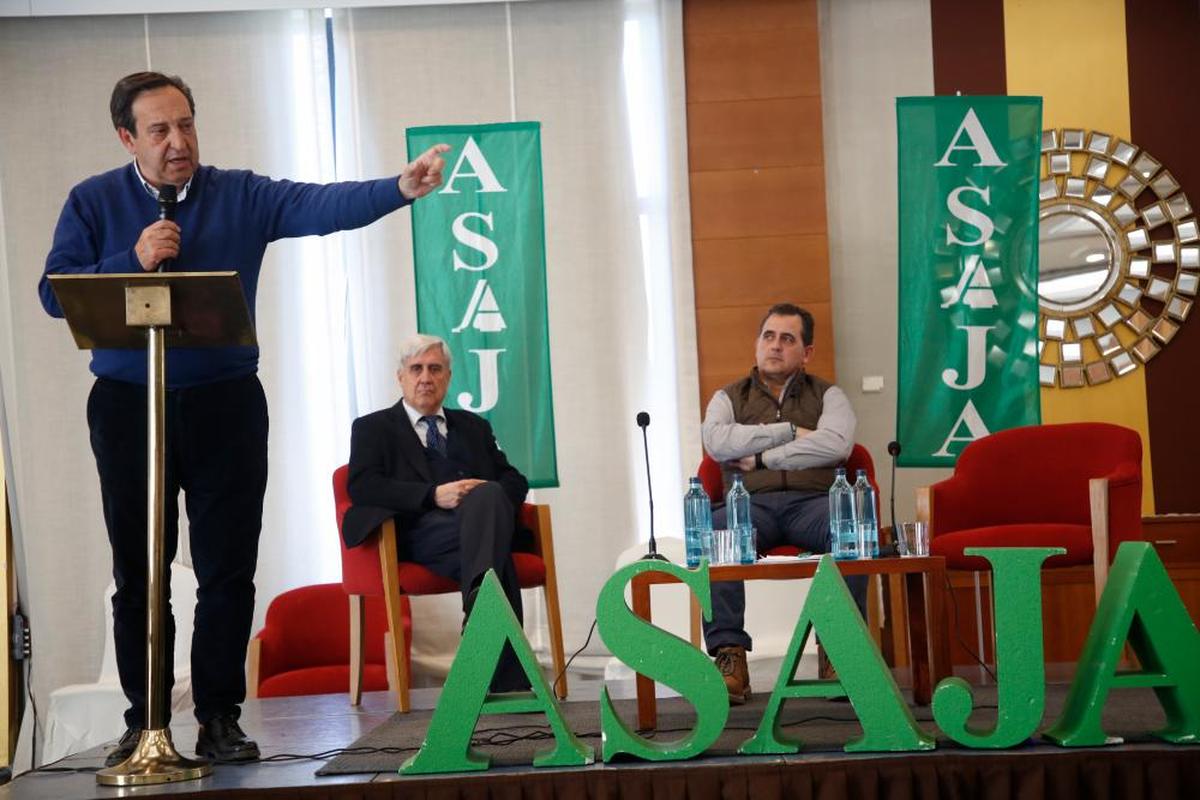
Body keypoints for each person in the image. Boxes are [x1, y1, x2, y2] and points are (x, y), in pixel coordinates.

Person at [37, 71, 449, 765]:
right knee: (142, 573)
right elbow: (56, 293)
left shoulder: (241, 194)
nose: (178, 143)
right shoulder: (92, 201)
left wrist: (398, 189)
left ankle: (220, 719)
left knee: (229, 570)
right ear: (127, 138)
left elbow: (323, 205)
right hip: (128, 406)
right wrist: (131, 259)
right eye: (160, 131)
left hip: (225, 402)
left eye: (186, 125)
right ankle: (145, 725)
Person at [343, 334, 531, 692]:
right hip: (419, 532)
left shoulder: (474, 426)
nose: (425, 377)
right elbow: (363, 486)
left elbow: (514, 480)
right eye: (416, 369)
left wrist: (484, 496)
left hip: (473, 532)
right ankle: (507, 680)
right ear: (401, 377)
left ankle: (481, 607)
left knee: (491, 497)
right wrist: (433, 495)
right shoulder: (373, 428)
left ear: (447, 377)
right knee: (497, 550)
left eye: (434, 369)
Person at [700, 302, 865, 704]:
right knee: (718, 531)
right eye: (768, 336)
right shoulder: (728, 396)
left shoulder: (829, 394)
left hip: (815, 502)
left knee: (850, 522)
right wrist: (791, 431)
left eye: (787, 339)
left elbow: (838, 445)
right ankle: (729, 655)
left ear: (806, 352)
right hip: (750, 505)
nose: (775, 346)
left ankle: (840, 650)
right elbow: (717, 442)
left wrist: (760, 455)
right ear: (757, 343)